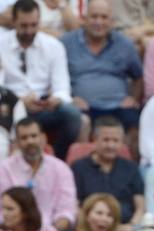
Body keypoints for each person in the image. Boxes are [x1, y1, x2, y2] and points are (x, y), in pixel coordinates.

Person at [0, 0, 82, 159]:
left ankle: (57, 159)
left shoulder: (54, 46)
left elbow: (62, 88)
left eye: (34, 25)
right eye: (23, 26)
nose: (29, 31)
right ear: (13, 22)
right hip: (10, 106)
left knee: (72, 115)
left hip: (44, 107)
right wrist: (19, 101)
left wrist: (56, 100)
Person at [61, 0, 143, 139]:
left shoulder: (125, 44)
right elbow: (55, 77)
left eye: (104, 17)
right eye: (94, 16)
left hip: (118, 106)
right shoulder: (66, 43)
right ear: (84, 19)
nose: (99, 22)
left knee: (135, 124)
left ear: (112, 21)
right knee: (78, 121)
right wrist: (69, 98)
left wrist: (133, 98)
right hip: (82, 107)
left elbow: (138, 77)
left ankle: (129, 161)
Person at [0, 115, 76, 231]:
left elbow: (66, 212)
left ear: (43, 138)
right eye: (24, 138)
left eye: (34, 136)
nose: (30, 141)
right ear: (16, 142)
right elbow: (0, 213)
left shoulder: (61, 169)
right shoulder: (4, 168)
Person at [71, 115, 143, 227]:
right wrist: (89, 228)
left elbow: (140, 207)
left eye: (115, 140)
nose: (111, 145)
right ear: (94, 140)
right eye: (106, 140)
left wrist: (130, 227)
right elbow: (74, 204)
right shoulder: (78, 167)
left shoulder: (131, 168)